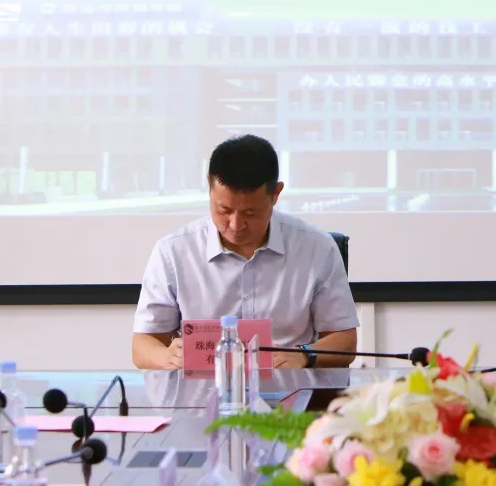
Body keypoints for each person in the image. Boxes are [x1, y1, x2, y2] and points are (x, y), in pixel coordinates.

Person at [132, 135, 359, 370]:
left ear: (276, 193)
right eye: (224, 210)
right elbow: (142, 346)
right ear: (209, 185)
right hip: (201, 388)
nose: (235, 225)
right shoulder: (173, 251)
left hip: (290, 385)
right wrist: (166, 357)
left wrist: (304, 355)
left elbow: (345, 341)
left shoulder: (316, 248)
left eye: (250, 213)